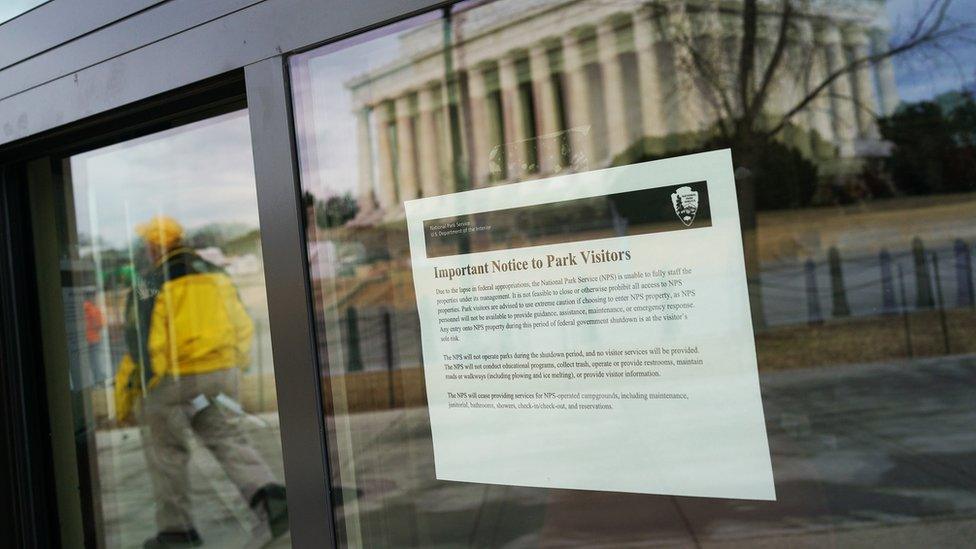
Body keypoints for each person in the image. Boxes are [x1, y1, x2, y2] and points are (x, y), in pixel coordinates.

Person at [115, 214, 287, 548]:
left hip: (175, 379)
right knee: (226, 438)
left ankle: (177, 532)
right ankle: (271, 501)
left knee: (167, 453)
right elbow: (243, 324)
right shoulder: (215, 273)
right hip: (221, 374)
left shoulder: (150, 282)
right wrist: (237, 364)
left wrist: (136, 392)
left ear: (154, 247)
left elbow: (144, 344)